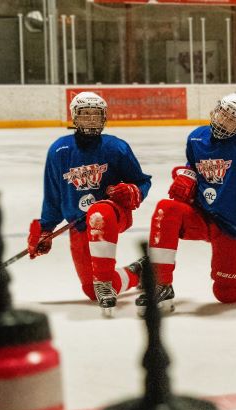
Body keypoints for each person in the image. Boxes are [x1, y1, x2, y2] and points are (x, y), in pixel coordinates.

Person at [139, 93, 236, 314]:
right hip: (201, 216)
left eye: (232, 119)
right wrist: (185, 177)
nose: (224, 121)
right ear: (216, 110)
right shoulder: (196, 137)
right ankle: (161, 284)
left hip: (233, 223)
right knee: (166, 209)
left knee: (227, 294)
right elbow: (192, 166)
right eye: (223, 113)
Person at [28, 91, 151, 316]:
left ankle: (116, 274)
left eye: (96, 115)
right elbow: (54, 195)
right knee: (93, 291)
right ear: (74, 117)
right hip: (79, 223)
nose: (91, 121)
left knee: (100, 212)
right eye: (86, 115)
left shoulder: (116, 148)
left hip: (112, 215)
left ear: (104, 117)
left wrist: (133, 191)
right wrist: (46, 228)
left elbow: (142, 182)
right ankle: (139, 272)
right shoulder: (59, 151)